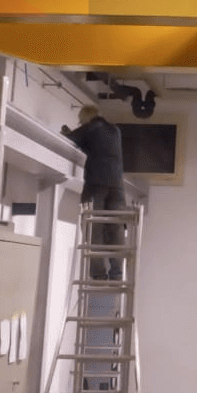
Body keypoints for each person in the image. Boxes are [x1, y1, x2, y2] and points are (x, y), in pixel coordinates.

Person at [64, 105, 125, 279]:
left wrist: (67, 131)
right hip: (117, 186)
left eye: (81, 121)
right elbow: (95, 147)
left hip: (96, 184)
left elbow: (72, 138)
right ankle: (117, 272)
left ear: (86, 119)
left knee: (93, 227)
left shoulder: (92, 127)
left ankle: (98, 273)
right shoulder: (115, 131)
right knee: (116, 229)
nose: (81, 124)